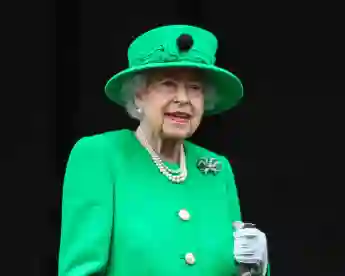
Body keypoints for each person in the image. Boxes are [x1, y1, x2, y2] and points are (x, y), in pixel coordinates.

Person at [58, 25, 270, 276]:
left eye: (195, 88)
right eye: (168, 84)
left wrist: (256, 269)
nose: (184, 99)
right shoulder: (100, 155)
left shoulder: (216, 168)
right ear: (138, 96)